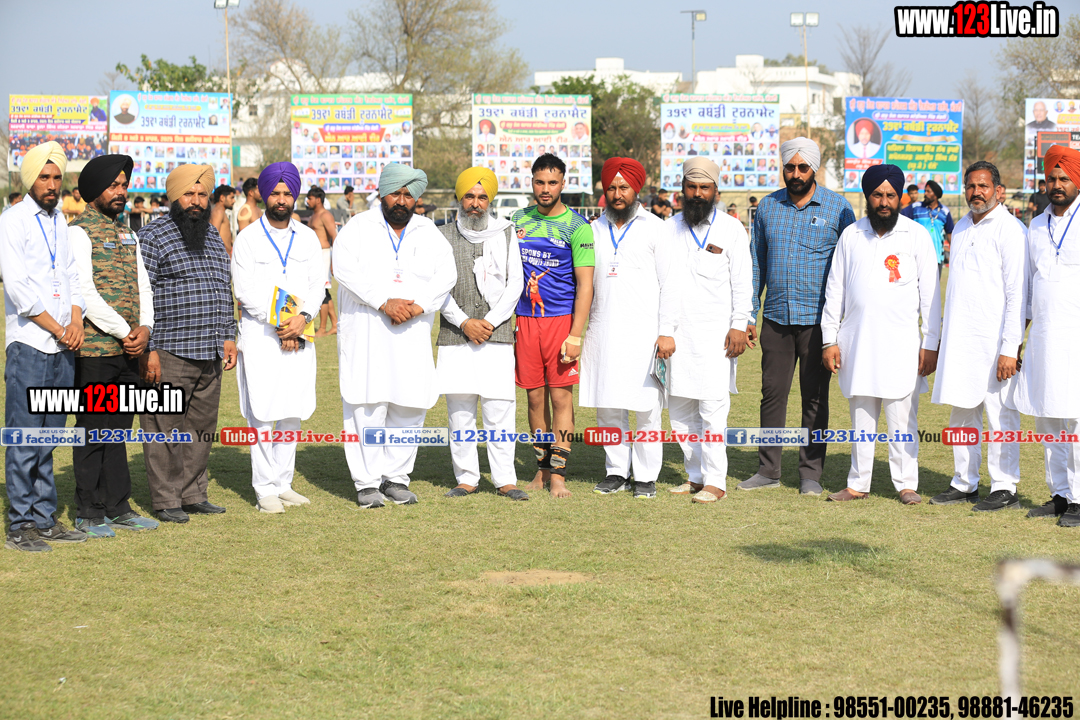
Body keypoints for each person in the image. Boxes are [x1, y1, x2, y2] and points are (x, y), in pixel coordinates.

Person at [334, 163, 455, 508]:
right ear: (382, 193)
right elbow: (343, 269)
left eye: (408, 195)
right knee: (367, 406)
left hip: (411, 333)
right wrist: (383, 301)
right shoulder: (359, 228)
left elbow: (446, 276)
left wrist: (419, 306)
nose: (402, 200)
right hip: (368, 332)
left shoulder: (428, 231)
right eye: (395, 193)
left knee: (409, 404)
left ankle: (396, 479)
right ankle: (367, 483)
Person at [821, 164, 941, 504]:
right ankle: (858, 483)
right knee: (861, 416)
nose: (884, 202)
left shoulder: (916, 235)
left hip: (902, 344)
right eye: (877, 195)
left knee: (902, 417)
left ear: (900, 197)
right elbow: (835, 290)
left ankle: (906, 484)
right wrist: (829, 339)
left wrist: (931, 343)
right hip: (857, 342)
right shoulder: (851, 235)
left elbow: (931, 296)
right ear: (867, 196)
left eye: (890, 195)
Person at [743, 137, 856, 495]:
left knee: (815, 399)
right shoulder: (767, 207)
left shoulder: (839, 209)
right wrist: (750, 313)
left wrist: (841, 324)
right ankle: (768, 470)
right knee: (772, 395)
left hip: (818, 322)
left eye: (802, 167)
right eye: (789, 167)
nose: (795, 173)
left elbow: (849, 267)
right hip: (776, 317)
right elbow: (757, 264)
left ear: (814, 169)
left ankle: (811, 474)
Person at [1, 142, 88, 551]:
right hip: (30, 345)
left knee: (50, 436)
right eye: (44, 178)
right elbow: (18, 288)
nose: (52, 185)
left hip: (62, 347)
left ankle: (44, 518)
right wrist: (58, 328)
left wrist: (76, 320)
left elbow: (72, 276)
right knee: (25, 437)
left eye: (57, 178)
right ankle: (20, 525)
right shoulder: (12, 221)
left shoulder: (61, 223)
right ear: (29, 179)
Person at [138, 164, 238, 523]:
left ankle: (193, 493)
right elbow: (141, 295)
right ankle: (167, 500)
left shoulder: (211, 235)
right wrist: (148, 350)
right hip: (169, 350)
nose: (196, 201)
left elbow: (223, 288)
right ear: (174, 197)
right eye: (188, 194)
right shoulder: (152, 235)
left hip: (209, 350)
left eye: (201, 194)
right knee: (164, 428)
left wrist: (229, 335)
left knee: (201, 428)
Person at [67, 154, 159, 537]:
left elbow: (143, 286)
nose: (120, 192)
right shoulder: (78, 232)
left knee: (119, 431)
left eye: (123, 185)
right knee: (93, 430)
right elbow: (84, 293)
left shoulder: (128, 233)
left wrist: (146, 329)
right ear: (94, 191)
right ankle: (88, 511)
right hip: (96, 352)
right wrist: (126, 331)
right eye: (112, 186)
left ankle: (118, 507)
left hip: (129, 351)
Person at [929, 161, 1026, 512]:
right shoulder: (962, 228)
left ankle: (1004, 487)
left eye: (983, 186)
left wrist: (1010, 347)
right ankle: (964, 481)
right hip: (961, 340)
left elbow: (1017, 293)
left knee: (1001, 415)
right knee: (962, 411)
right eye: (971, 186)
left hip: (995, 342)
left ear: (998, 190)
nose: (976, 192)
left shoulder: (1011, 230)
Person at [582, 158, 677, 499]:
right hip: (603, 331)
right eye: (611, 188)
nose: (617, 194)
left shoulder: (657, 228)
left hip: (645, 334)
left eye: (624, 187)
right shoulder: (592, 229)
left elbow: (671, 284)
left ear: (636, 189)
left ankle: (646, 476)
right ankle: (616, 471)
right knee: (608, 405)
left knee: (646, 407)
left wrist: (667, 331)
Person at [661, 157, 754, 503]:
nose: (698, 194)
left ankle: (716, 481)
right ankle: (696, 476)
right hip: (675, 334)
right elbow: (662, 283)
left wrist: (739, 325)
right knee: (680, 411)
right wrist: (663, 329)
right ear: (682, 189)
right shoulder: (668, 229)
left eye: (704, 187)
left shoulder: (731, 229)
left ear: (716, 190)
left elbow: (743, 282)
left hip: (717, 336)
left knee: (713, 410)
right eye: (692, 187)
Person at [232, 163, 323, 514]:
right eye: (275, 193)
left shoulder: (308, 237)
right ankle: (264, 487)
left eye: (287, 193)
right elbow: (245, 290)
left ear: (294, 195)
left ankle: (284, 483)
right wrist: (283, 323)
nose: (281, 199)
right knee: (262, 410)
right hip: (261, 334)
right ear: (264, 195)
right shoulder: (248, 238)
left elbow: (317, 286)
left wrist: (302, 319)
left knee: (292, 409)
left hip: (302, 331)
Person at [436, 167, 527, 500]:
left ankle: (505, 480)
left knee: (499, 409)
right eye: (469, 197)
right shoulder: (441, 236)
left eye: (482, 197)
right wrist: (464, 322)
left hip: (496, 335)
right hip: (455, 335)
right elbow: (437, 288)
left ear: (490, 201)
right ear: (459, 199)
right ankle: (467, 478)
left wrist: (488, 321)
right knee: (460, 411)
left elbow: (515, 284)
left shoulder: (506, 233)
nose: (475, 203)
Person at [512, 154, 594, 498]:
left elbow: (586, 285)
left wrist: (575, 334)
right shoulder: (518, 220)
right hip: (525, 321)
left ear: (563, 184)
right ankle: (542, 470)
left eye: (552, 183)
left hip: (561, 323)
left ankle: (559, 474)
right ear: (531, 182)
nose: (545, 189)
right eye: (539, 182)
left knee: (561, 399)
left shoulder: (578, 226)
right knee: (534, 400)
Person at [1007, 145, 1080, 527]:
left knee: (1076, 419)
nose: (1056, 184)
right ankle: (1060, 495)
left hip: (1076, 338)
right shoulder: (1035, 226)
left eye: (1064, 178)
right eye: (1051, 178)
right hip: (1045, 337)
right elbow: (1028, 287)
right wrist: (1017, 338)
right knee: (1048, 417)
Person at [901, 179, 954, 272]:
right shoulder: (916, 207)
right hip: (916, 256)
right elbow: (900, 219)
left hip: (937, 257)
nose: (925, 194)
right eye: (925, 191)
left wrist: (954, 252)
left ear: (936, 194)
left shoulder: (944, 211)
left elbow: (950, 233)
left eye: (928, 191)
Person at [306, 186, 339, 336]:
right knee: (323, 290)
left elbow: (335, 237)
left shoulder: (325, 215)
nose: (307, 201)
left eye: (310, 198)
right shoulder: (314, 215)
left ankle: (322, 328)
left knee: (321, 290)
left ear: (318, 200)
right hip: (314, 256)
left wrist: (334, 261)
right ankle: (335, 324)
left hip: (324, 255)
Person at [210, 184, 236, 253]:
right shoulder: (219, 212)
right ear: (222, 198)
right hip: (222, 256)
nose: (234, 201)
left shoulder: (220, 211)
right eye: (231, 198)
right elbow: (214, 236)